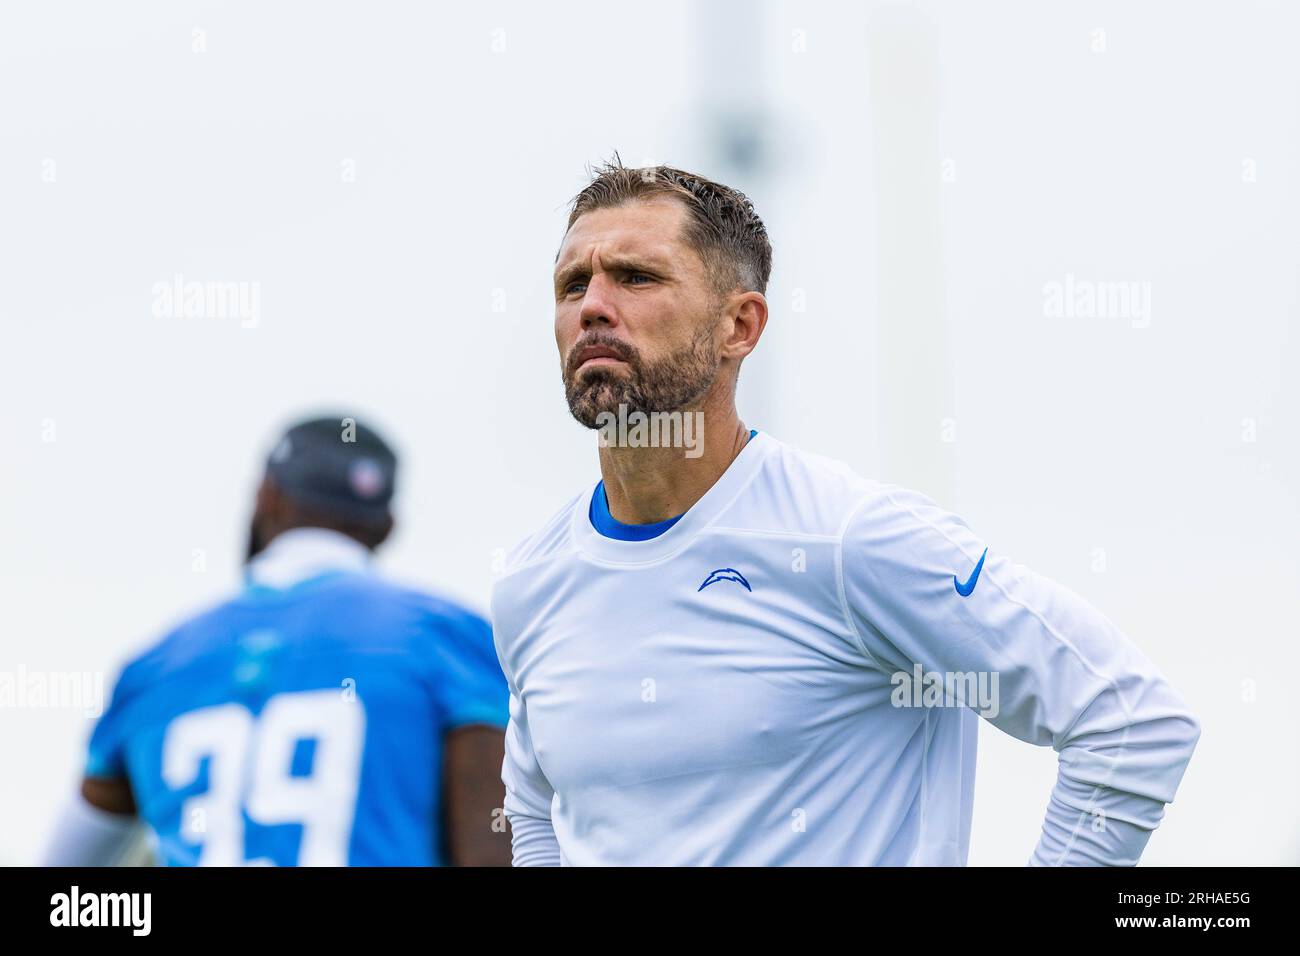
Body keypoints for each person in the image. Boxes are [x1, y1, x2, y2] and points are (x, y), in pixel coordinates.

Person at [491, 159, 1201, 866]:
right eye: (572, 284)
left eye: (636, 277)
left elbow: (1130, 720)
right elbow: (536, 816)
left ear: (740, 325)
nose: (591, 307)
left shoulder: (850, 540)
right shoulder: (530, 581)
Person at [44, 416, 510, 866]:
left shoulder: (153, 667)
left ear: (267, 497)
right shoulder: (446, 638)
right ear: (387, 524)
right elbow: (491, 854)